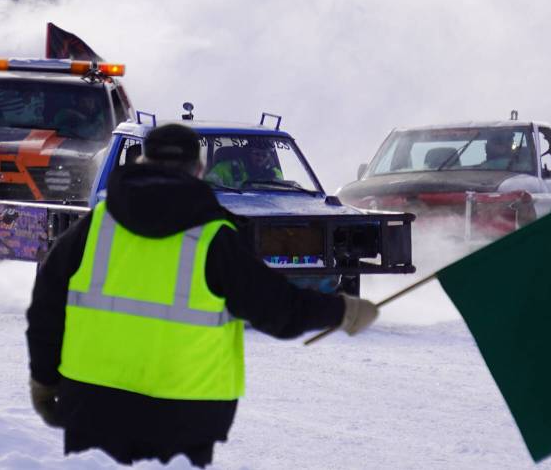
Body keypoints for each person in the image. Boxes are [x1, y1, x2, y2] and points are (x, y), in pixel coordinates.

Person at [25, 124, 378, 467]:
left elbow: (46, 307)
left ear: (141, 162)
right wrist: (342, 310)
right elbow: (278, 310)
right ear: (199, 169)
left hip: (91, 406)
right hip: (184, 416)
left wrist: (43, 378)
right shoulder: (214, 239)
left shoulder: (95, 226)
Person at [205, 143, 282, 188]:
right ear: (249, 153)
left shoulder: (275, 173)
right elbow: (207, 189)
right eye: (256, 153)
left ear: (269, 157)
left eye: (264, 155)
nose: (260, 158)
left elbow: (282, 193)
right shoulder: (224, 168)